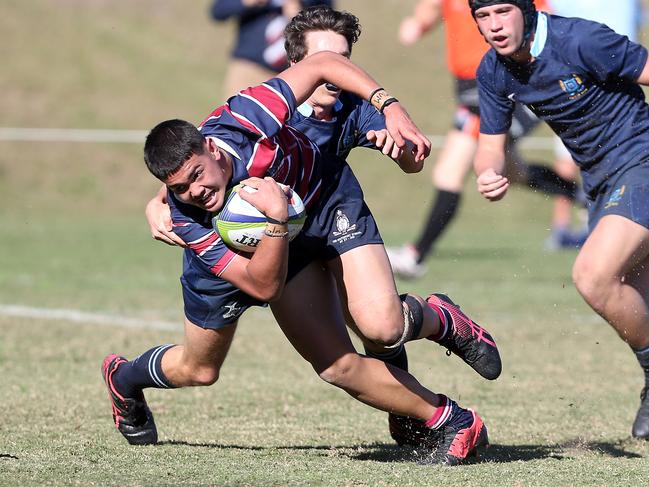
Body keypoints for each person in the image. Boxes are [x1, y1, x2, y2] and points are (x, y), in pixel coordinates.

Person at [102, 47, 500, 464]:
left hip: (320, 212)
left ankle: (451, 420)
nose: (194, 193)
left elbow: (323, 63)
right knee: (200, 369)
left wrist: (391, 107)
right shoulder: (186, 220)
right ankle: (124, 378)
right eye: (179, 189)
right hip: (246, 266)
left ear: (213, 151)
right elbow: (263, 284)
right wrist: (275, 220)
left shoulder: (245, 118)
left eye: (197, 175)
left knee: (363, 341)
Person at [470, 0, 649, 439]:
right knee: (635, 294)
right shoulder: (494, 71)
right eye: (483, 16)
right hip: (599, 182)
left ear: (526, 9)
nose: (494, 26)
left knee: (593, 276)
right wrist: (487, 172)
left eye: (502, 12)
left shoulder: (581, 39)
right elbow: (491, 144)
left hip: (642, 160)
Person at [386, 0, 580, 279]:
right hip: (468, 94)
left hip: (497, 89)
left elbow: (546, 21)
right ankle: (586, 196)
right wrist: (418, 25)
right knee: (515, 172)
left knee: (449, 173)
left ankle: (416, 256)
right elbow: (427, 12)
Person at [544, 0, 644, 250]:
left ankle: (571, 226)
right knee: (571, 154)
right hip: (577, 81)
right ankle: (566, 226)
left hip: (608, 79)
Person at [210, 0, 333, 98]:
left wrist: (301, 16)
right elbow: (218, 11)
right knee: (238, 121)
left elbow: (328, 25)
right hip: (249, 67)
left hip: (290, 74)